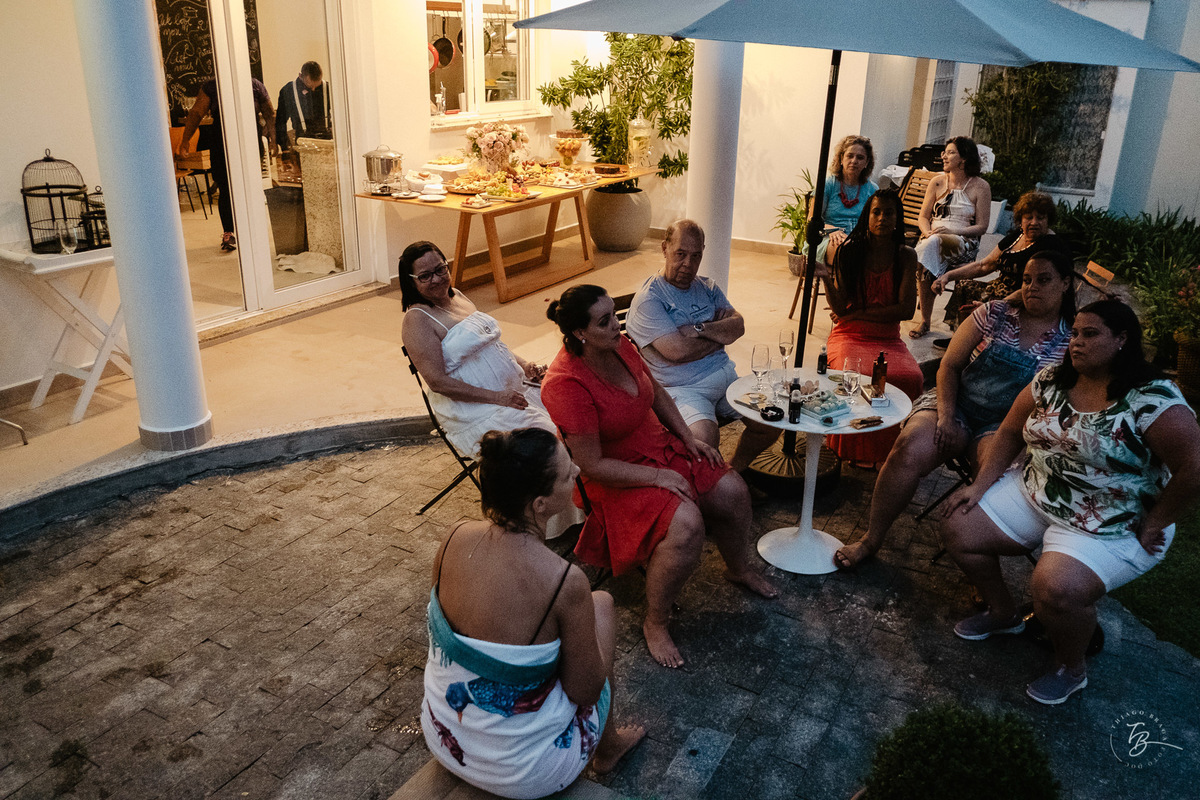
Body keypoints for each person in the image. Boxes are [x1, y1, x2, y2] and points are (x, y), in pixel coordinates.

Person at [942, 300, 1200, 705]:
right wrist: (979, 487)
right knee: (959, 524)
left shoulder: (1151, 398)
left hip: (1115, 520)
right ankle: (1003, 612)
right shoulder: (1053, 379)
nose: (1076, 343)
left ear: (1121, 340)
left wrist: (1156, 522)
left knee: (1055, 588)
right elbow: (1009, 431)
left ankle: (1070, 666)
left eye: (1091, 334)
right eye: (1075, 333)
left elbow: (1194, 466)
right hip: (1041, 492)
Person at [541, 285, 777, 669]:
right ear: (580, 333)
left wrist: (688, 438)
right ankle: (656, 620)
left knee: (733, 490)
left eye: (614, 316)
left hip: (658, 446)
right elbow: (591, 464)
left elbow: (657, 395)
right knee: (687, 525)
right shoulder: (565, 383)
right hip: (616, 473)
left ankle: (738, 568)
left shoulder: (621, 346)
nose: (618, 326)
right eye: (605, 322)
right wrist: (657, 478)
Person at [422, 428, 646, 797]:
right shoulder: (562, 580)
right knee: (602, 604)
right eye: (565, 472)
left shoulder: (454, 536)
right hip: (527, 774)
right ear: (540, 504)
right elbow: (586, 692)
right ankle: (608, 747)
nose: (576, 471)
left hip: (445, 740)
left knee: (582, 614)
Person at [834, 248, 1076, 570]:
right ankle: (870, 539)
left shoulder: (1072, 343)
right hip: (955, 403)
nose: (1032, 287)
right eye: (1027, 280)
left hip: (1004, 427)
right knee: (909, 447)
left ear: (1066, 284)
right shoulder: (994, 313)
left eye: (1043, 280)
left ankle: (980, 570)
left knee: (996, 478)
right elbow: (949, 366)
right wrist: (946, 417)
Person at [624, 220, 780, 473]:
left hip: (727, 378)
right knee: (704, 437)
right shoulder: (650, 300)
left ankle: (733, 473)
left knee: (772, 417)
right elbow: (677, 352)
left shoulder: (707, 287)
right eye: (681, 254)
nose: (688, 264)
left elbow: (738, 326)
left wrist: (700, 330)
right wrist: (720, 336)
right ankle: (714, 487)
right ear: (664, 249)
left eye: (696, 256)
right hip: (684, 390)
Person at [399, 241, 556, 458]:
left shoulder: (458, 296)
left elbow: (492, 345)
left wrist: (525, 365)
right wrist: (498, 397)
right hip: (479, 410)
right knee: (552, 442)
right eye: (425, 276)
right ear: (411, 282)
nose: (436, 279)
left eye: (440, 269)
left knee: (570, 415)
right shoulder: (417, 319)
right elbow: (437, 382)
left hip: (513, 392)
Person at [816, 189, 922, 466]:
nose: (883, 218)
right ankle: (852, 447)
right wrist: (826, 278)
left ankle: (883, 450)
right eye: (876, 211)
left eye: (889, 212)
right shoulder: (850, 251)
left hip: (887, 337)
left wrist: (861, 312)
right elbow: (840, 309)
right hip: (849, 332)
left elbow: (906, 310)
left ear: (898, 218)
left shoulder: (906, 256)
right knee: (854, 374)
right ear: (867, 215)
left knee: (910, 376)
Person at [932, 190, 1071, 327]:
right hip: (998, 290)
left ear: (1048, 220)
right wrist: (947, 276)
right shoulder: (1018, 235)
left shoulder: (1051, 246)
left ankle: (980, 339)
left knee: (984, 301)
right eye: (1029, 217)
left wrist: (994, 307)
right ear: (1021, 220)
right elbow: (985, 265)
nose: (1034, 222)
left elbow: (1035, 289)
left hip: (1023, 299)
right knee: (964, 285)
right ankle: (965, 336)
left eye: (1040, 218)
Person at [178, 78, 276, 252]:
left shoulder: (251, 85)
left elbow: (196, 113)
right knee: (233, 187)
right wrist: (185, 140)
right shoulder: (246, 84)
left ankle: (236, 233)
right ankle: (238, 232)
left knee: (233, 188)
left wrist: (186, 140)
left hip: (243, 142)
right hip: (226, 144)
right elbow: (269, 112)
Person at [911, 136, 992, 338]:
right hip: (933, 240)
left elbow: (982, 227)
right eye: (945, 152)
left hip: (964, 243)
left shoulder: (980, 187)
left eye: (950, 152)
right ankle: (926, 321)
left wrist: (952, 232)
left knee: (929, 250)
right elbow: (923, 216)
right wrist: (927, 232)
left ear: (963, 159)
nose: (944, 156)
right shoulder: (937, 182)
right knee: (930, 249)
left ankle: (909, 264)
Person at [810, 134, 879, 267]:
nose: (854, 161)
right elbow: (812, 219)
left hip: (859, 239)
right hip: (829, 237)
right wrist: (832, 230)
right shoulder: (828, 185)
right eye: (850, 156)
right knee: (847, 250)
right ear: (841, 158)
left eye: (860, 157)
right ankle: (839, 288)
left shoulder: (872, 189)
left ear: (867, 162)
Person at [275, 61, 331, 150]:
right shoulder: (288, 91)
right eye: (309, 85)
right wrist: (283, 146)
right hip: (303, 140)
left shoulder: (328, 88)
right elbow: (280, 121)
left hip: (326, 139)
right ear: (300, 76)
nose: (313, 89)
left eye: (316, 85)